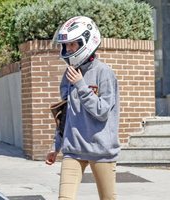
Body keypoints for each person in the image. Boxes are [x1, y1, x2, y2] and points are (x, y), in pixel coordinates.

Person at [46, 16, 120, 200]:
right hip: (73, 151)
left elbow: (102, 112)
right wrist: (56, 146)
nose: (69, 49)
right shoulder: (69, 73)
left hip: (101, 151)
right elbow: (65, 114)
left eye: (73, 44)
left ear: (88, 41)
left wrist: (81, 85)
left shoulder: (104, 73)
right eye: (66, 45)